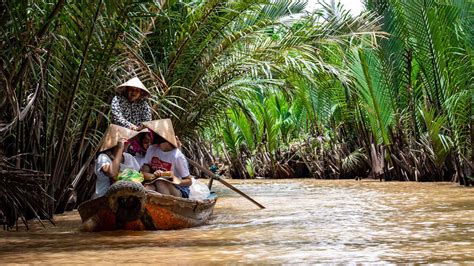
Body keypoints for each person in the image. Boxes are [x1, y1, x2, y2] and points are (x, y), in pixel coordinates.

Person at [140, 119, 192, 198]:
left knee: (160, 182)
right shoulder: (152, 149)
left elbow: (189, 181)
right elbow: (143, 173)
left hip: (179, 189)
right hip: (157, 183)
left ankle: (167, 206)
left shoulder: (177, 156)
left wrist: (175, 179)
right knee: (148, 188)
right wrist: (154, 175)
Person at [93, 124, 141, 199]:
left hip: (127, 198)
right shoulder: (103, 157)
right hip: (104, 199)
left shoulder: (129, 157)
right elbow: (112, 172)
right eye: (127, 141)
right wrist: (120, 148)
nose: (129, 143)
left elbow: (138, 175)